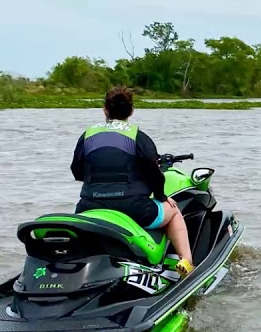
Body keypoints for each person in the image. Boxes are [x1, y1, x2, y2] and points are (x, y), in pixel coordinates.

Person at [71, 86, 195, 278]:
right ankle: (186, 261)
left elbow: (76, 171)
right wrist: (162, 197)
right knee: (174, 212)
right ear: (131, 111)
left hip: (89, 206)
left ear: (105, 110)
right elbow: (154, 174)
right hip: (133, 208)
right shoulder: (137, 136)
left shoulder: (87, 135)